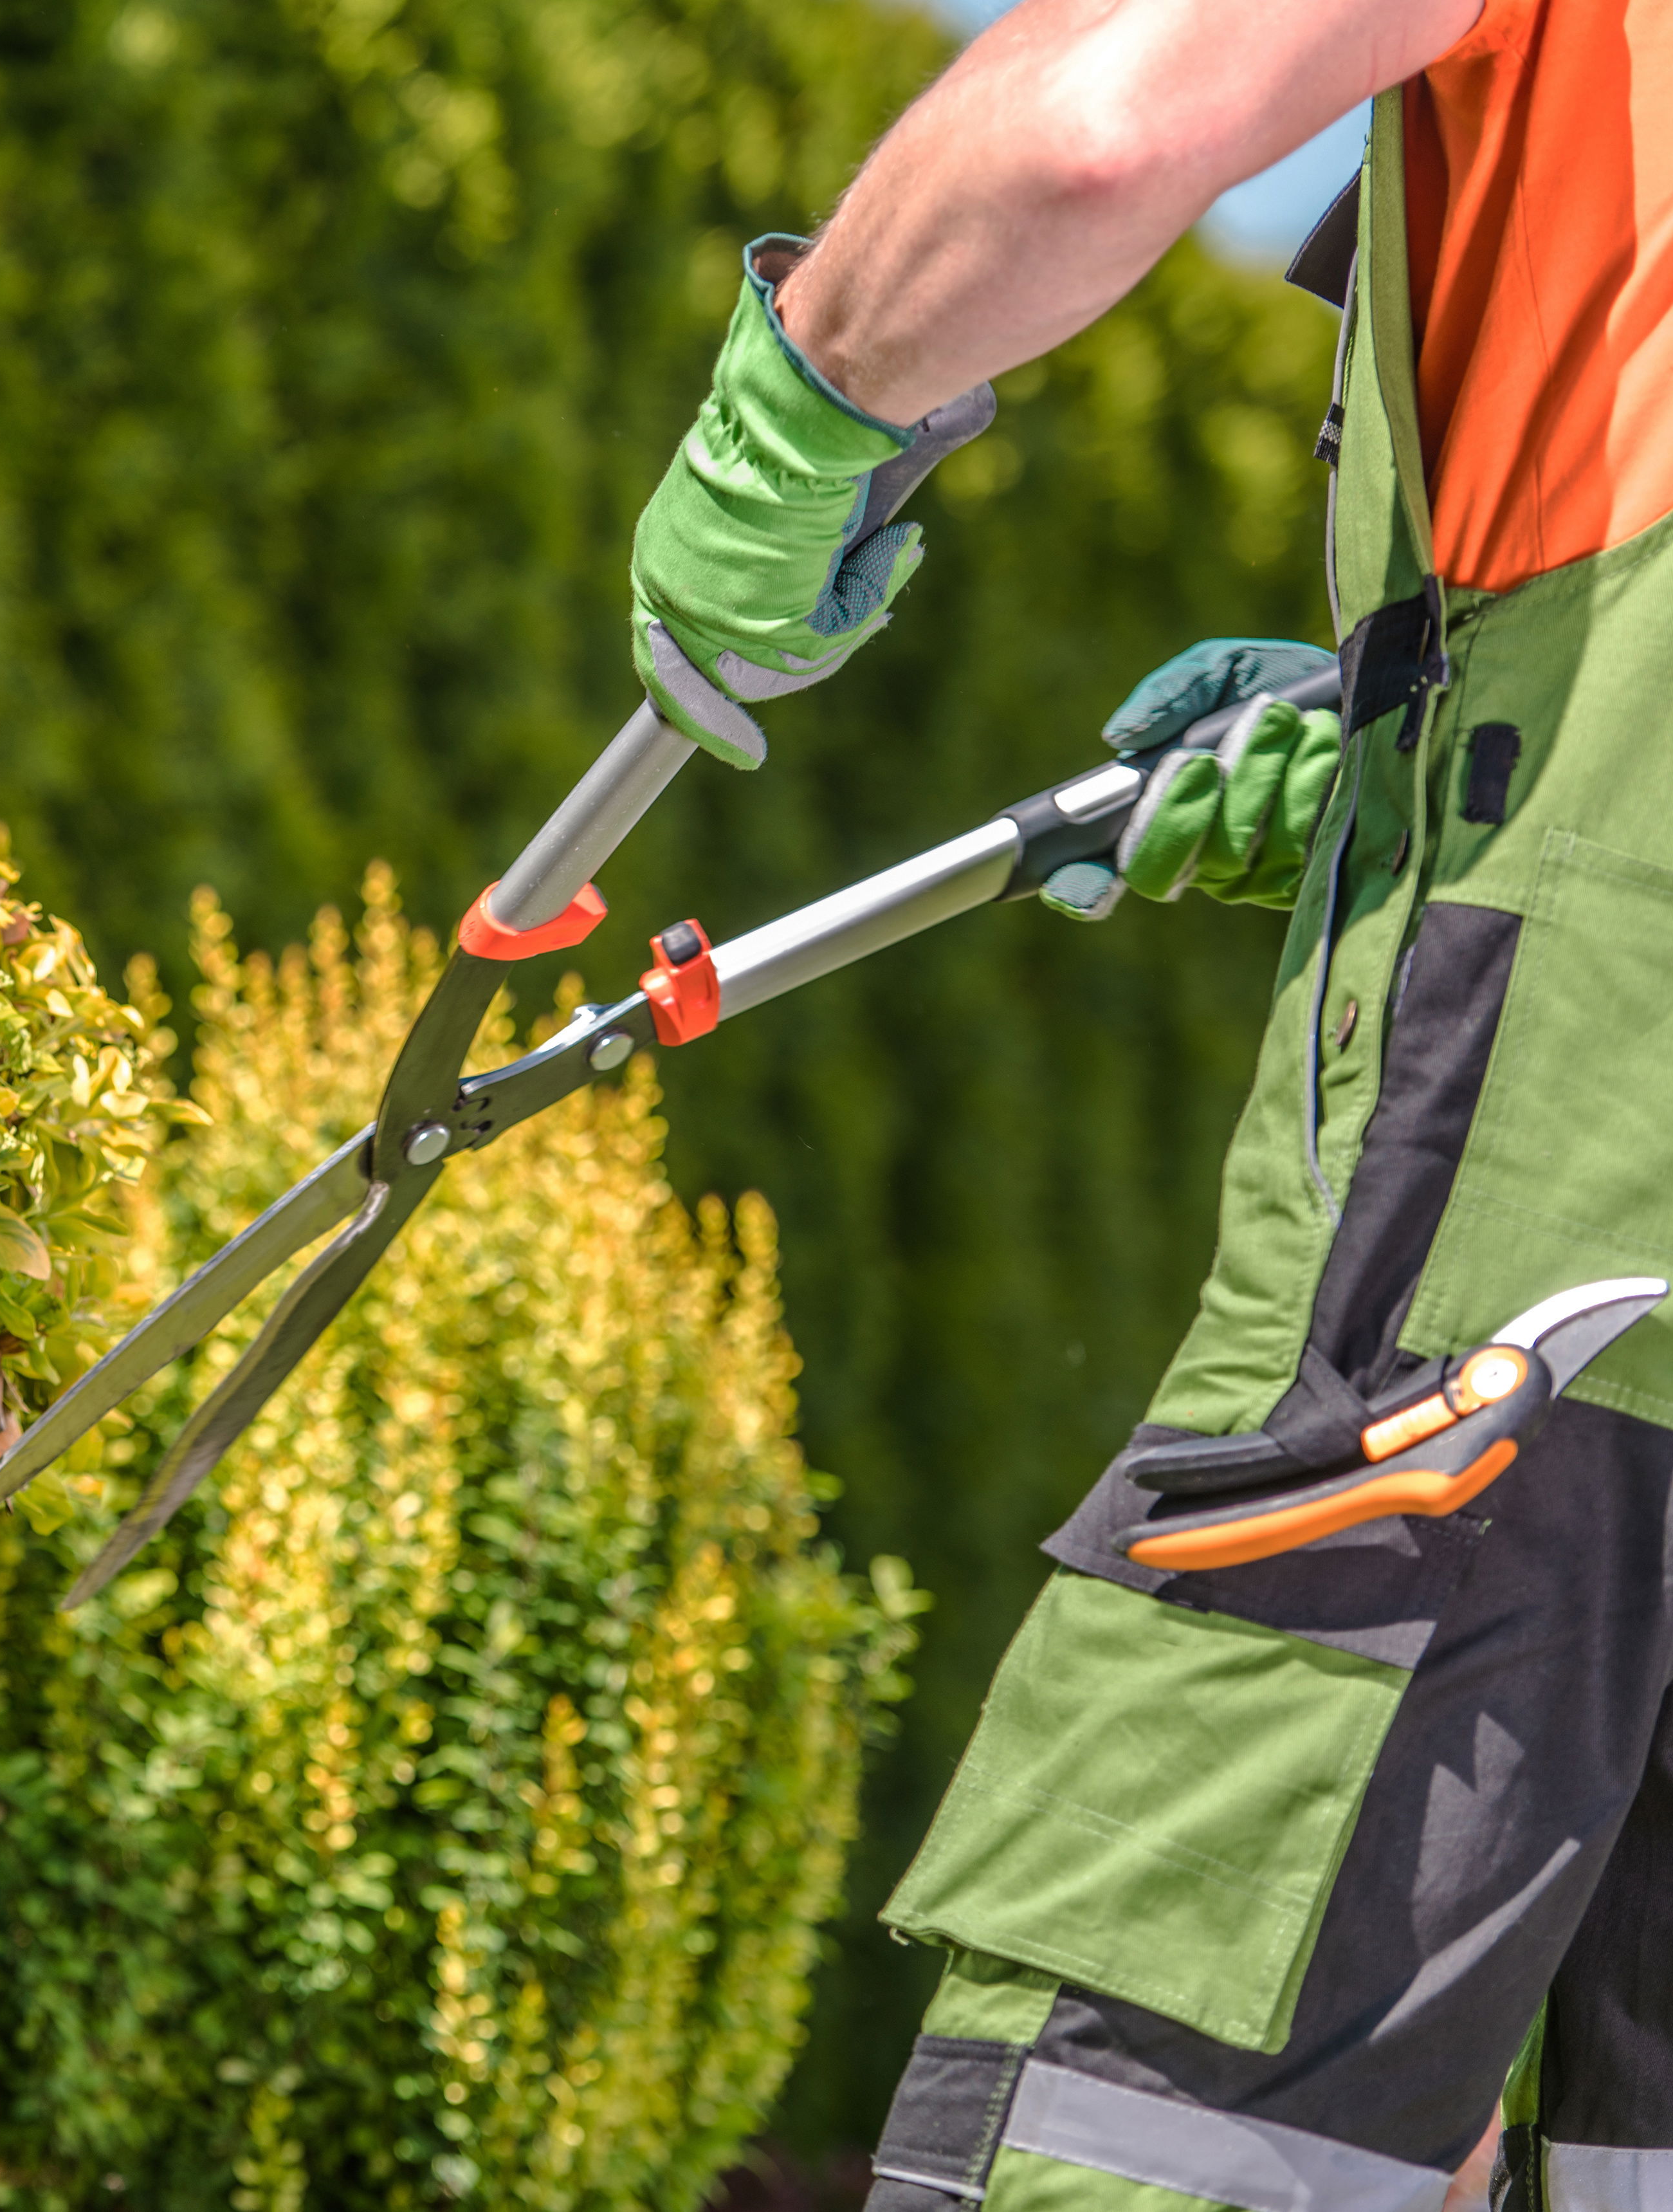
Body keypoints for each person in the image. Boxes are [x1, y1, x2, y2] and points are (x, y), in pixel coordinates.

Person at [625, 0, 1673, 2201]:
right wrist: (1397, 734)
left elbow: (1097, 136)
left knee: (1156, 2122)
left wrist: (805, 400)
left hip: (1556, 1203)